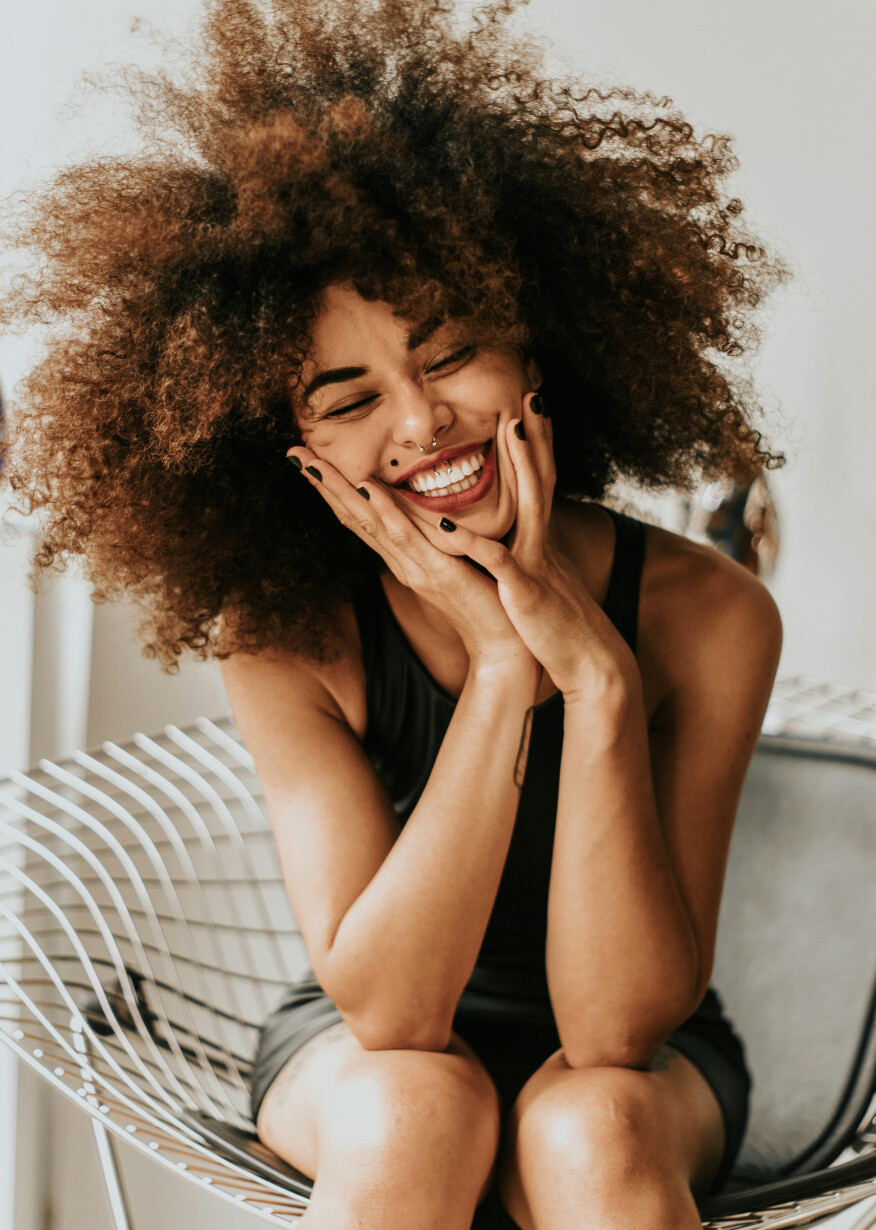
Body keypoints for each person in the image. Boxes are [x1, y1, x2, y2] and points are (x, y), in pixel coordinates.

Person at [0, 0, 789, 1225]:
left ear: (539, 344)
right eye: (349, 396)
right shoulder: (284, 637)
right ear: (291, 447)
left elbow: (616, 1027)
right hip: (363, 1051)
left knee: (589, 1127)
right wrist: (497, 673)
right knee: (419, 1101)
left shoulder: (710, 616)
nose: (421, 427)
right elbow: (393, 1014)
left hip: (647, 1071)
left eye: (449, 353)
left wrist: (600, 681)